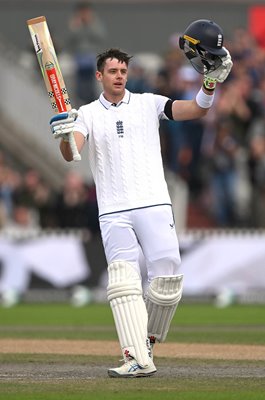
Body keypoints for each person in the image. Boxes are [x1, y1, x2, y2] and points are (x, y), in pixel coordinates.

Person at [50, 19, 233, 378]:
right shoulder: (85, 114)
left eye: (123, 70)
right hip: (114, 210)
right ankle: (134, 356)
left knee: (167, 279)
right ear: (100, 76)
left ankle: (146, 341)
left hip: (153, 202)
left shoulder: (149, 103)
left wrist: (209, 84)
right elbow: (72, 154)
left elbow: (196, 109)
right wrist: (63, 134)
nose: (119, 76)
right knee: (123, 281)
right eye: (113, 71)